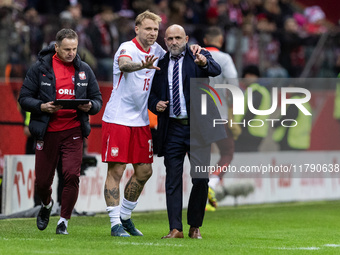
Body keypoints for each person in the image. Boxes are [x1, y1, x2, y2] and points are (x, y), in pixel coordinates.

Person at [101, 10, 202, 238]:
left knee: (145, 171)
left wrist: (195, 48)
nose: (152, 33)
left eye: (156, 30)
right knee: (117, 170)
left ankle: (125, 216)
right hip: (118, 118)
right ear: (137, 29)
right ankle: (115, 222)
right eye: (148, 29)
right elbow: (125, 65)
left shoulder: (158, 51)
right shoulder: (127, 48)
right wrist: (140, 65)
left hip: (141, 120)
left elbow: (179, 55)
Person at [18, 28, 103, 235]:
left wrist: (90, 106)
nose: (71, 53)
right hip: (47, 132)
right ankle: (46, 205)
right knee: (42, 182)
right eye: (66, 49)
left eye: (74, 49)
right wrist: (41, 107)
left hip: (73, 131)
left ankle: (64, 220)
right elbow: (24, 98)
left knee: (72, 175)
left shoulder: (84, 70)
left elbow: (97, 100)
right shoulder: (40, 69)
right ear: (56, 47)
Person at [148, 24, 223, 239]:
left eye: (178, 38)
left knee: (200, 179)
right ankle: (175, 228)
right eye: (170, 38)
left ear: (186, 38)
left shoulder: (198, 54)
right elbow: (151, 95)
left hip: (198, 128)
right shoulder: (159, 63)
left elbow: (216, 69)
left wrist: (205, 62)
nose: (174, 42)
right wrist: (156, 105)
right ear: (165, 41)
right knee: (172, 179)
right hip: (171, 128)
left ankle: (195, 225)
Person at [234, 65, 271, 152]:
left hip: (249, 132)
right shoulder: (262, 91)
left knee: (244, 160)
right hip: (256, 131)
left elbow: (251, 111)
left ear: (249, 75)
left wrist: (241, 127)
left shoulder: (255, 91)